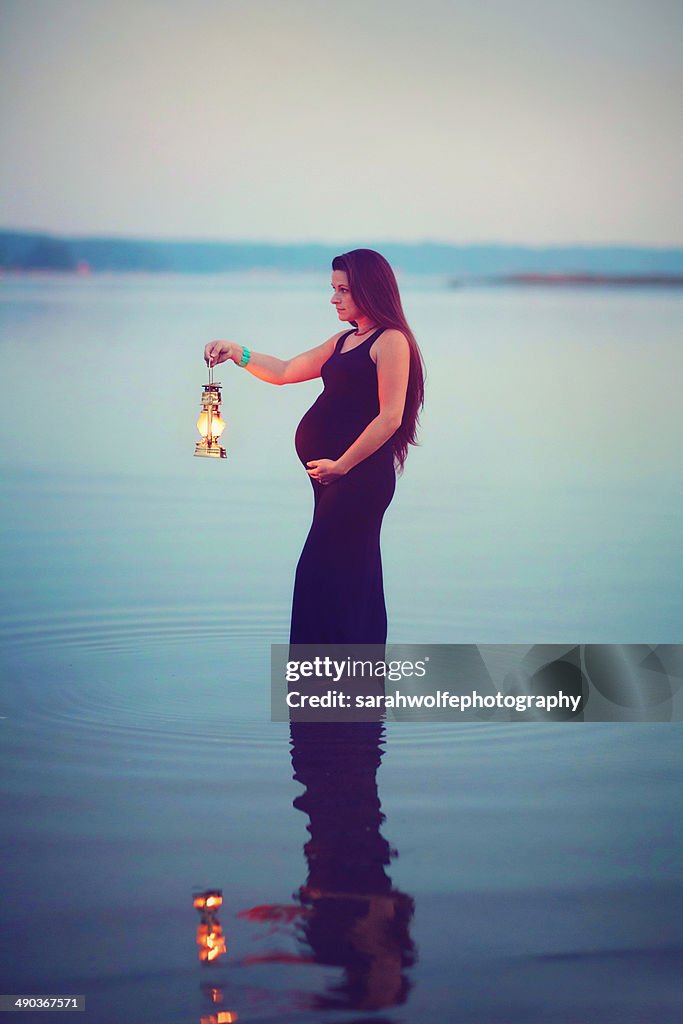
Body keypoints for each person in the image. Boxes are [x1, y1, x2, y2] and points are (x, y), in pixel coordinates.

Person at [204, 248, 424, 645]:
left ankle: (329, 672)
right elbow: (286, 371)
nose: (334, 298)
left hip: (360, 478)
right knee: (350, 571)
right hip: (331, 478)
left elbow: (390, 417)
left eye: (343, 290)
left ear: (370, 290)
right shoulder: (342, 342)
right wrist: (237, 351)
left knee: (320, 569)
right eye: (333, 289)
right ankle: (348, 678)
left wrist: (342, 465)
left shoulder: (391, 342)